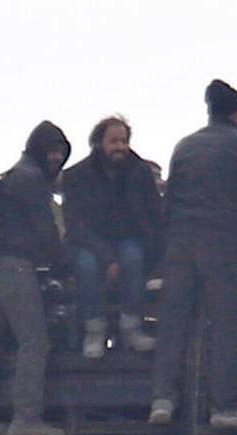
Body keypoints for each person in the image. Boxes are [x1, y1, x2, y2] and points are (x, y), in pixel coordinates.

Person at [150, 79, 237, 434]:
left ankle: (163, 399)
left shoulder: (184, 146)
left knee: (173, 323)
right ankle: (223, 406)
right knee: (224, 325)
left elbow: (169, 203)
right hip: (222, 246)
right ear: (234, 112)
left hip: (180, 244)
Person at [0, 121, 71, 435]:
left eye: (60, 153)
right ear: (39, 149)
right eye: (52, 151)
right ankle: (26, 418)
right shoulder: (30, 178)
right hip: (14, 267)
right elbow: (45, 229)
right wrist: (63, 261)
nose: (55, 159)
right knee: (35, 340)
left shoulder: (12, 175)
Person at [61, 116, 163, 359]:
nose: (120, 147)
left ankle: (131, 327)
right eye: (113, 141)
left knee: (134, 258)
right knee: (86, 266)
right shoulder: (75, 176)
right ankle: (94, 329)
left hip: (129, 239)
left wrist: (156, 249)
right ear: (98, 143)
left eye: (124, 141)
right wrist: (107, 258)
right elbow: (75, 224)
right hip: (87, 241)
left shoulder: (140, 173)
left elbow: (152, 215)